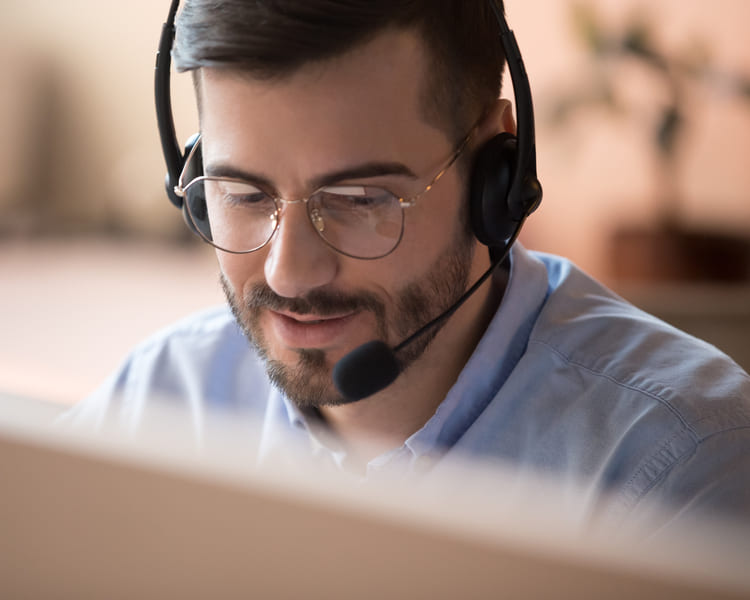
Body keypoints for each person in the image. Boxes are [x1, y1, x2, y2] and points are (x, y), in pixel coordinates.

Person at [68, 0, 750, 529]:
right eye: (242, 194)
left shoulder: (681, 468)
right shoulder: (157, 402)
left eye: (361, 199)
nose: (287, 275)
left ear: (497, 175)